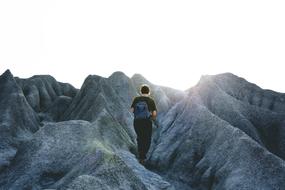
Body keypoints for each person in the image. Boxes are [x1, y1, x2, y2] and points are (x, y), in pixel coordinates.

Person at [130, 84, 157, 165]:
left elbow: (131, 110)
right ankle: (143, 157)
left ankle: (140, 155)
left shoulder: (136, 99)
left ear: (141, 91)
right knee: (147, 139)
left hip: (137, 122)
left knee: (140, 138)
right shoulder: (151, 100)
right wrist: (152, 117)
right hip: (147, 122)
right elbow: (154, 113)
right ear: (149, 92)